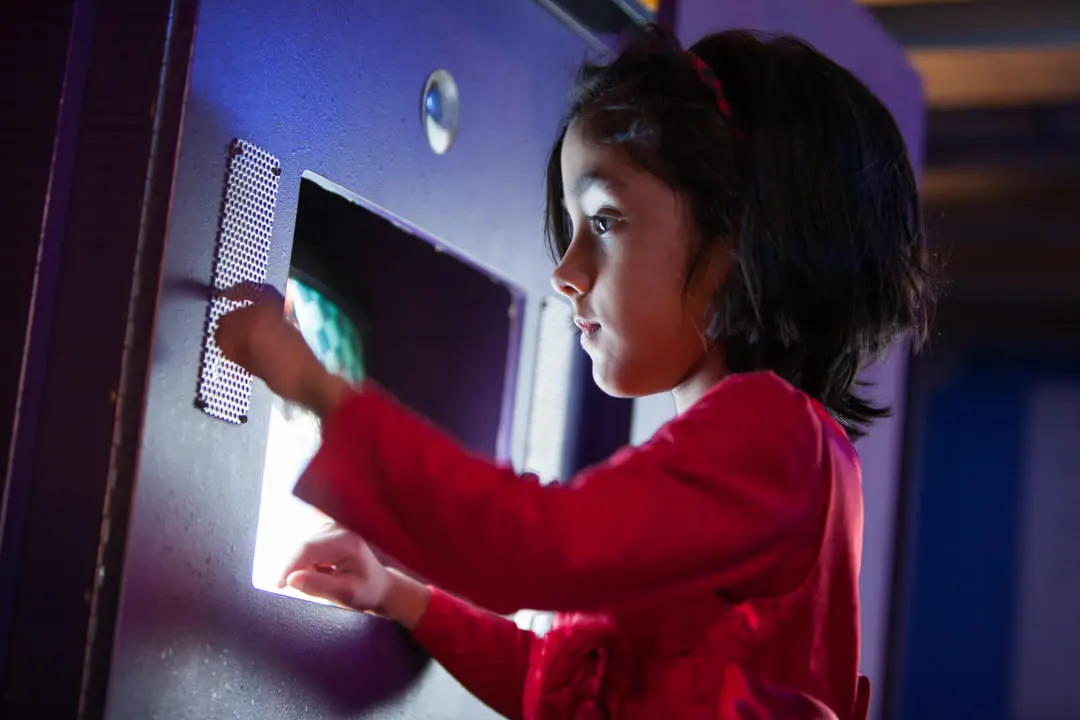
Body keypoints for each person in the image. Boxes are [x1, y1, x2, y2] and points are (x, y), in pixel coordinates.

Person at [216, 26, 939, 720]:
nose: (565, 273)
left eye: (604, 221)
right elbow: (566, 691)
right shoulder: (774, 448)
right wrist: (408, 599)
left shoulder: (772, 434)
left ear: (735, 244)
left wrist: (313, 386)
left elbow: (534, 549)